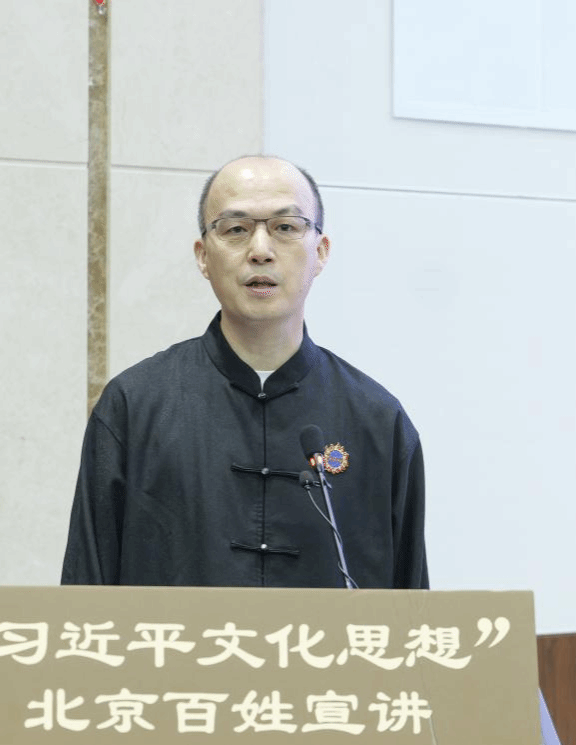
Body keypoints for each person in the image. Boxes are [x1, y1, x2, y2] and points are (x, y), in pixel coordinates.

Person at [61, 156, 428, 589]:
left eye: (285, 227)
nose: (260, 250)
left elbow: (412, 609)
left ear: (320, 252)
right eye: (236, 229)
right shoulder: (134, 407)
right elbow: (84, 600)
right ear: (203, 257)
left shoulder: (378, 421)